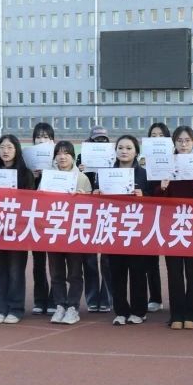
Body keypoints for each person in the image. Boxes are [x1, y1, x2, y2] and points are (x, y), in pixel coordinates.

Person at [158, 126, 193, 329]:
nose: (183, 144)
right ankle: (176, 315)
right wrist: (163, 187)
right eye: (180, 141)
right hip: (172, 225)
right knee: (174, 272)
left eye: (187, 141)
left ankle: (192, 314)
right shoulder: (166, 163)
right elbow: (156, 198)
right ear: (174, 143)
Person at [0, 134, 35, 324]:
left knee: (15, 271)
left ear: (16, 150)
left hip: (17, 229)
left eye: (9, 147)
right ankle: (0, 308)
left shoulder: (25, 174)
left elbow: (31, 202)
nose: (5, 151)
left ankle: (15, 309)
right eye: (2, 147)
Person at [44, 140, 92, 325]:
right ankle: (60, 305)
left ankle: (72, 307)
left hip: (74, 231)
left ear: (73, 156)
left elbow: (92, 206)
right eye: (58, 153)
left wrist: (83, 197)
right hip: (54, 230)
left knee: (74, 273)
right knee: (56, 272)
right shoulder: (48, 177)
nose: (62, 157)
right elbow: (38, 202)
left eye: (66, 153)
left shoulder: (82, 178)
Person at [108, 135, 153, 326]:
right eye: (120, 148)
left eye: (128, 148)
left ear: (136, 152)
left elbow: (155, 201)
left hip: (137, 229)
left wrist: (144, 196)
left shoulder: (144, 174)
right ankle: (120, 311)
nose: (124, 151)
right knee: (116, 272)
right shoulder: (107, 174)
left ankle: (139, 311)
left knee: (137, 272)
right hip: (114, 229)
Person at [79, 126, 113, 314]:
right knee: (89, 258)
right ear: (90, 141)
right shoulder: (81, 158)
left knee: (107, 259)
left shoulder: (114, 158)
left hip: (108, 212)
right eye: (96, 140)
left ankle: (107, 297)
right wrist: (81, 170)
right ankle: (92, 298)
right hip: (87, 211)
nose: (100, 143)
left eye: (103, 140)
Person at [29, 122, 56, 315]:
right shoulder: (26, 161)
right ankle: (39, 299)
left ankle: (54, 298)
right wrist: (30, 176)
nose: (41, 140)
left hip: (54, 217)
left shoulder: (59, 160)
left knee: (55, 261)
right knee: (38, 262)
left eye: (46, 137)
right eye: (38, 137)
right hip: (34, 218)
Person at [144, 123, 170, 312]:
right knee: (150, 259)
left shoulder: (175, 159)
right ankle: (155, 297)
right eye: (153, 135)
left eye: (161, 135)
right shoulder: (142, 161)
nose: (157, 138)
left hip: (170, 214)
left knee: (175, 260)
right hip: (149, 214)